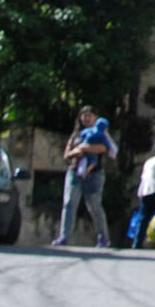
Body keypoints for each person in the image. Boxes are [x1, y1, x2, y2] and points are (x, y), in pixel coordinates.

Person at [55, 105, 117, 247]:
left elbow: (105, 148)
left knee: (94, 205)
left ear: (96, 118)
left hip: (95, 173)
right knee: (69, 203)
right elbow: (67, 155)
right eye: (84, 115)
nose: (87, 118)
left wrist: (85, 148)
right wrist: (77, 151)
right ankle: (64, 236)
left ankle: (103, 238)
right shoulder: (76, 135)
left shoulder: (101, 133)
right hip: (75, 172)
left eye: (90, 115)